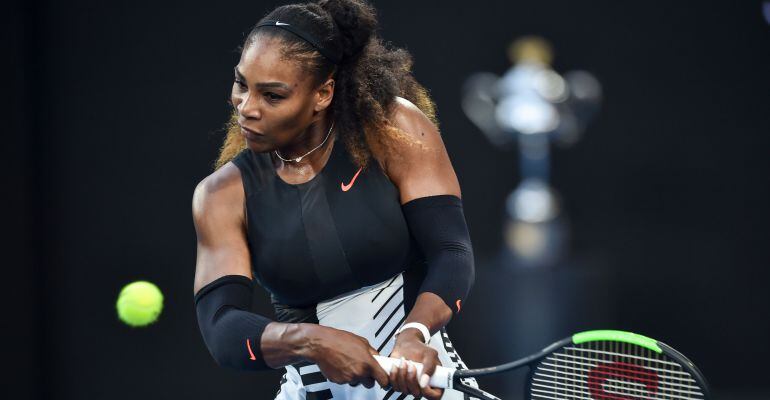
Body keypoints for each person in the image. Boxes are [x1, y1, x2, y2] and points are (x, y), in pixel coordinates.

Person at [192, 1, 480, 398]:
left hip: (420, 382)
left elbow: (451, 252)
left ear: (323, 93)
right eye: (242, 84)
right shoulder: (220, 194)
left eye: (273, 96)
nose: (247, 108)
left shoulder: (392, 130)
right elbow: (221, 328)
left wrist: (415, 333)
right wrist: (309, 340)